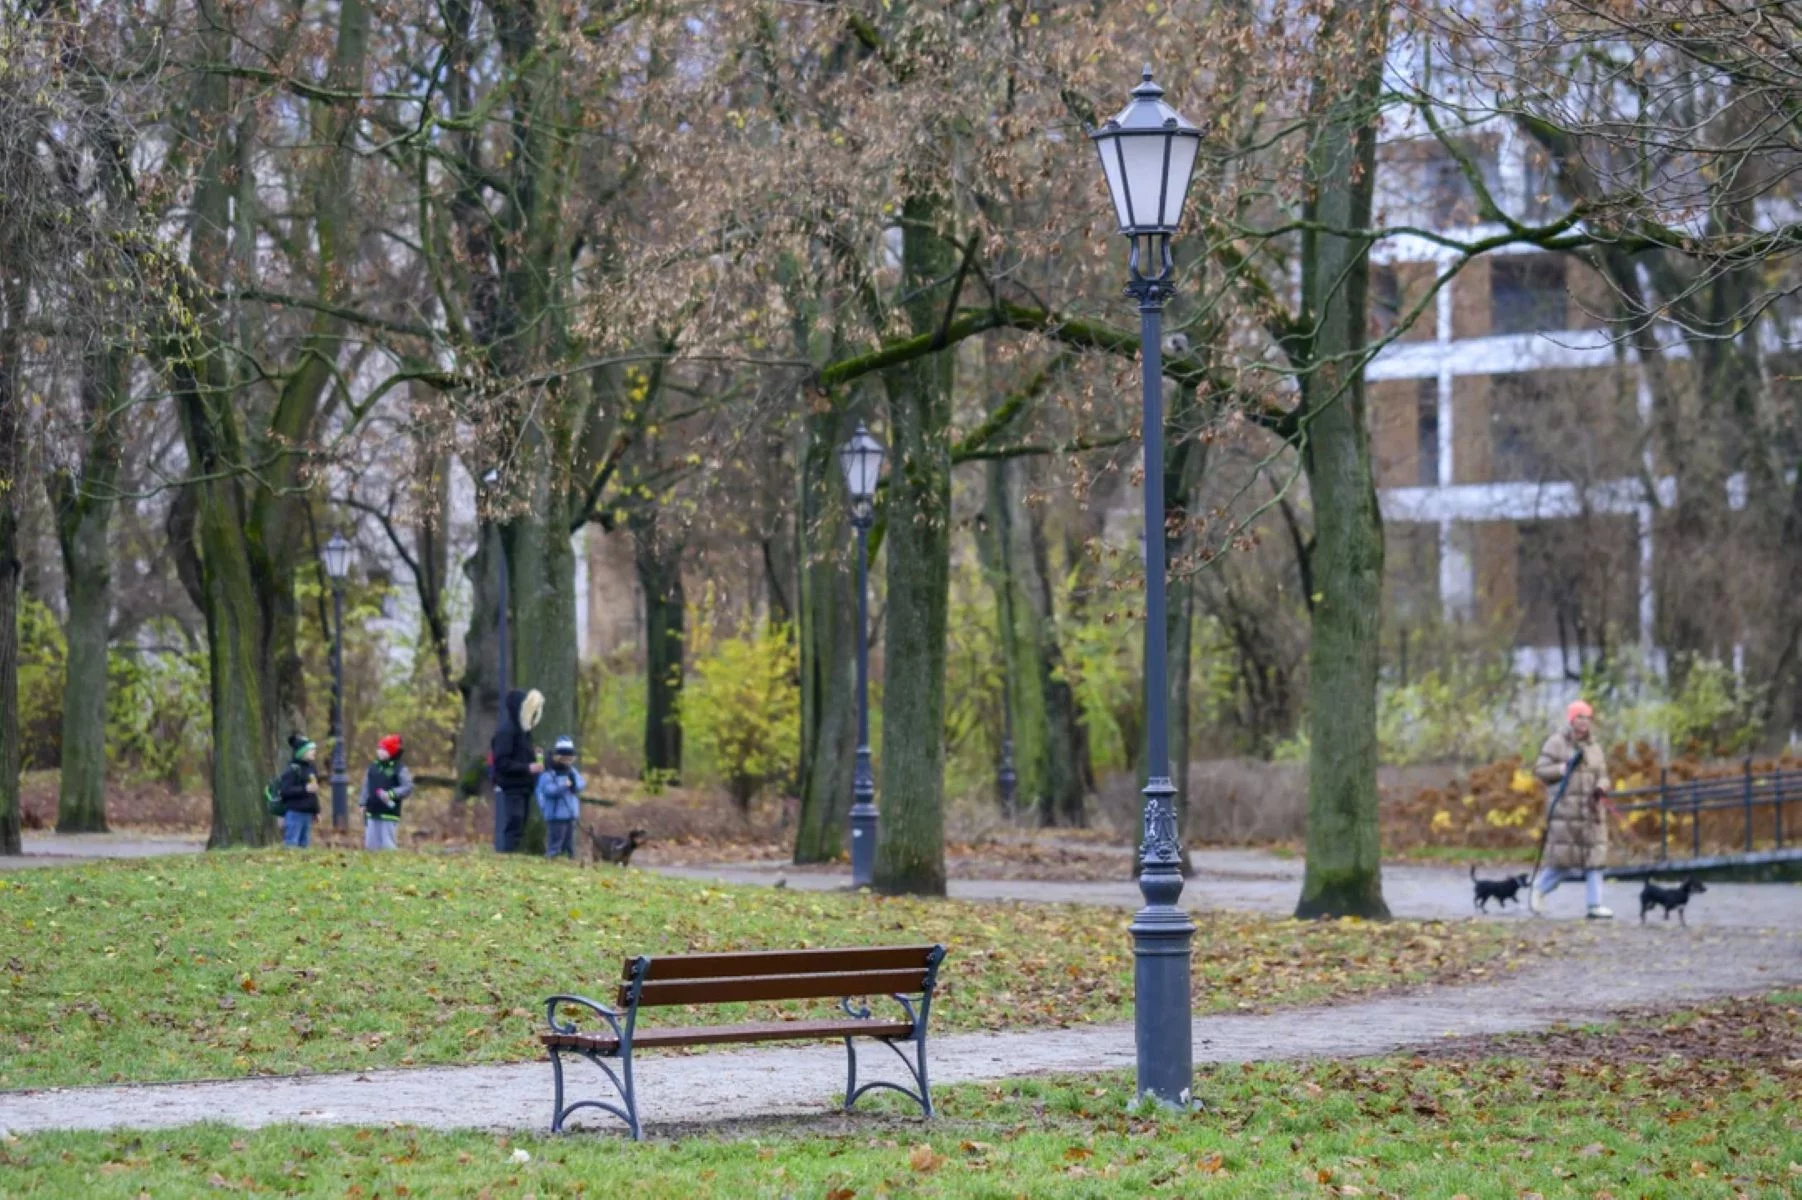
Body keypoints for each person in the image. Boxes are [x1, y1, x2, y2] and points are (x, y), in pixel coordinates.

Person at [1529, 700, 1613, 918]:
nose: (1584, 722)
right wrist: (1561, 768)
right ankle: (1538, 891)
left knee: (1596, 859)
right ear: (1571, 719)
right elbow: (1540, 770)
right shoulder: (1556, 743)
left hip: (1592, 812)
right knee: (1562, 861)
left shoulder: (1595, 747)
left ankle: (1595, 905)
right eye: (1579, 717)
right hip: (1566, 812)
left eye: (1587, 718)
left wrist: (1601, 787)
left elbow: (1603, 775)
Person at [490, 688, 544, 853]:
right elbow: (502, 762)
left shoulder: (524, 733)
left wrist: (533, 756)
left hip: (524, 786)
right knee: (514, 821)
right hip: (512, 786)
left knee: (520, 824)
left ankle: (512, 854)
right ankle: (506, 854)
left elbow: (519, 755)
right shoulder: (507, 732)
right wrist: (527, 767)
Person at [361, 734, 414, 851]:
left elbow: (408, 786)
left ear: (392, 751)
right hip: (372, 810)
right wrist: (363, 802)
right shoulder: (373, 767)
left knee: (387, 843)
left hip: (389, 812)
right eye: (379, 749)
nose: (380, 752)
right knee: (370, 843)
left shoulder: (399, 768)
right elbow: (366, 786)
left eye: (384, 749)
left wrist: (392, 793)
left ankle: (390, 862)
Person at [535, 735, 585, 860]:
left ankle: (570, 858)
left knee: (569, 841)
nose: (567, 759)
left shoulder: (572, 771)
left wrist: (574, 785)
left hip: (570, 813)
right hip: (556, 815)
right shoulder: (549, 773)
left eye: (569, 757)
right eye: (564, 756)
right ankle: (551, 857)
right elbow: (547, 790)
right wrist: (563, 786)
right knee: (555, 841)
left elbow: (581, 783)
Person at [278, 735, 321, 849]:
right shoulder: (292, 769)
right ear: (302, 752)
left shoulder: (312, 768)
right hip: (295, 812)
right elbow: (285, 791)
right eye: (310, 750)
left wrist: (316, 811)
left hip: (308, 813)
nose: (314, 752)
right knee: (292, 842)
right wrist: (304, 789)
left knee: (305, 844)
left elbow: (314, 792)